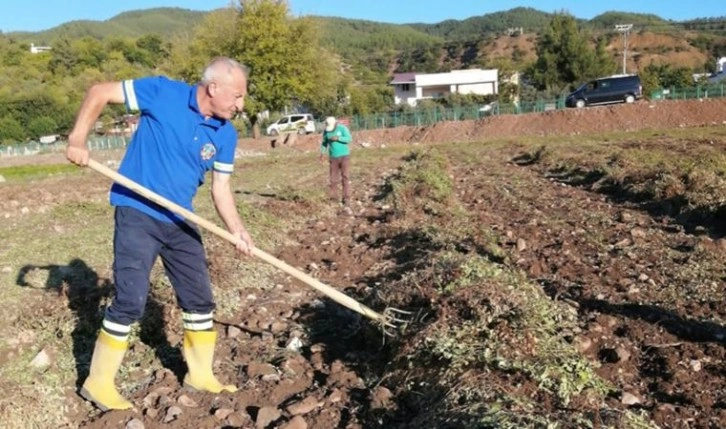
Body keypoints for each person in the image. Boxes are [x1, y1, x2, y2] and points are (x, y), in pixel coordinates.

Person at [65, 56, 254, 411]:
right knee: (131, 299)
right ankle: (98, 382)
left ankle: (200, 374)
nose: (241, 104)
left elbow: (221, 189)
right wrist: (78, 137)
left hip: (180, 219)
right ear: (213, 88)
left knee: (199, 300)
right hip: (137, 210)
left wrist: (238, 231)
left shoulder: (226, 133)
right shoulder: (162, 92)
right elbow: (99, 92)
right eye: (238, 96)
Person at [319, 116, 353, 210]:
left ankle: (346, 198)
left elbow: (349, 139)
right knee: (333, 179)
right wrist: (322, 153)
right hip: (333, 157)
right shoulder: (326, 131)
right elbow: (324, 143)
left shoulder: (342, 128)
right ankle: (334, 198)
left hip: (344, 156)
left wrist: (338, 138)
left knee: (345, 177)